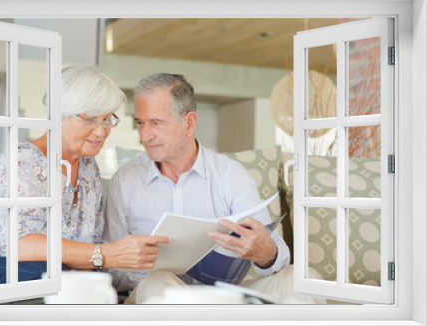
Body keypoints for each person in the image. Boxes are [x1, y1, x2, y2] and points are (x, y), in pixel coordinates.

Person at [104, 73, 322, 304]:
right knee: (158, 281)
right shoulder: (125, 180)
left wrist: (266, 252)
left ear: (189, 123)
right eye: (140, 123)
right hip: (159, 295)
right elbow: (111, 270)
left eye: (156, 123)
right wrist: (142, 264)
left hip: (222, 297)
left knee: (301, 279)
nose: (145, 135)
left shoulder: (230, 174)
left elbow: (276, 252)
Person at [0, 66, 170, 284]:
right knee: (59, 276)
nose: (101, 131)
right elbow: (20, 245)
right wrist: (106, 254)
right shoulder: (21, 163)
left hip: (58, 276)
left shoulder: (87, 167)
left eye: (107, 119)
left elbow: (86, 249)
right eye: (89, 119)